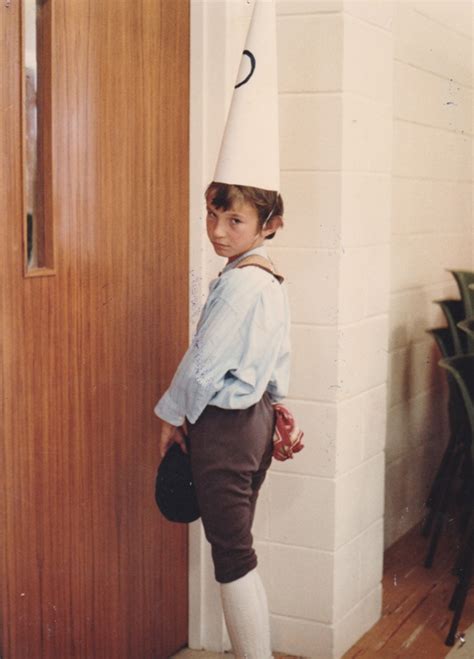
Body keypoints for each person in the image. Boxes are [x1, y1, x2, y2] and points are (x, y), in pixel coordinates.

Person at [154, 181, 291, 658]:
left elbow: (202, 365)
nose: (218, 231)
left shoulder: (238, 285)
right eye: (212, 216)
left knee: (233, 557)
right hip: (256, 423)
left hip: (225, 429)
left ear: (269, 225)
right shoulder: (269, 278)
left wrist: (172, 417)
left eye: (235, 221)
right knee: (237, 551)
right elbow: (278, 362)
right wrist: (276, 407)